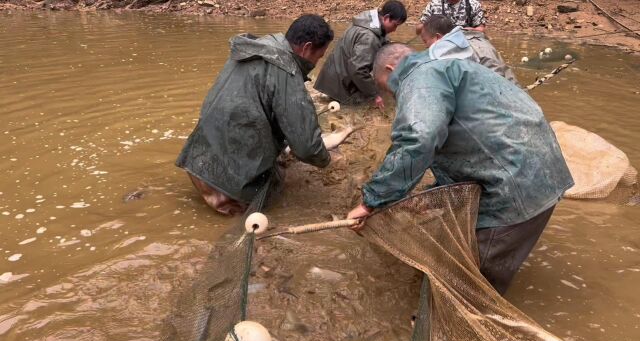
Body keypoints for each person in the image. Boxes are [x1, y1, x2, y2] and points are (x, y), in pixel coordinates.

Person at [346, 43, 574, 295]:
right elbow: (470, 139)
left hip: (512, 188)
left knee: (468, 284)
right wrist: (434, 194)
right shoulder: (453, 66)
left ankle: (471, 325)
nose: (392, 95)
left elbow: (419, 139)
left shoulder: (419, 78)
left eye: (384, 87)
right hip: (544, 173)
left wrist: (371, 202)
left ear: (390, 69)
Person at [175, 15, 334, 216]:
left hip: (197, 164)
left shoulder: (254, 49)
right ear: (306, 47)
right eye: (318, 57)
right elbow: (306, 146)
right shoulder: (286, 69)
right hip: (229, 190)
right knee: (274, 195)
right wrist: (327, 161)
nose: (316, 63)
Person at [314, 1, 407, 110]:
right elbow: (358, 70)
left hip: (332, 78)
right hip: (340, 85)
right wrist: (375, 95)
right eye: (395, 25)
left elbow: (379, 40)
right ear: (386, 18)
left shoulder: (368, 21)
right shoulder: (368, 37)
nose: (395, 30)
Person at [420, 14, 518, 84]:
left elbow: (497, 86)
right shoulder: (459, 42)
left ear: (438, 37)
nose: (426, 47)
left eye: (425, 42)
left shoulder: (469, 50)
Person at [417, 0, 486, 33]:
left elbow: (481, 29)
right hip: (440, 46)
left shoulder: (473, 4)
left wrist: (471, 30)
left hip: (466, 45)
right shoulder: (434, 4)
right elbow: (418, 29)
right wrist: (429, 26)